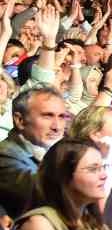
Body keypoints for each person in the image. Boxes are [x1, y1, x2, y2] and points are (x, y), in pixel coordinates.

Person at [0, 86, 69, 218]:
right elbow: (41, 193)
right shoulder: (5, 156)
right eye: (47, 116)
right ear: (20, 120)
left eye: (62, 117)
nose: (57, 127)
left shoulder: (57, 150)